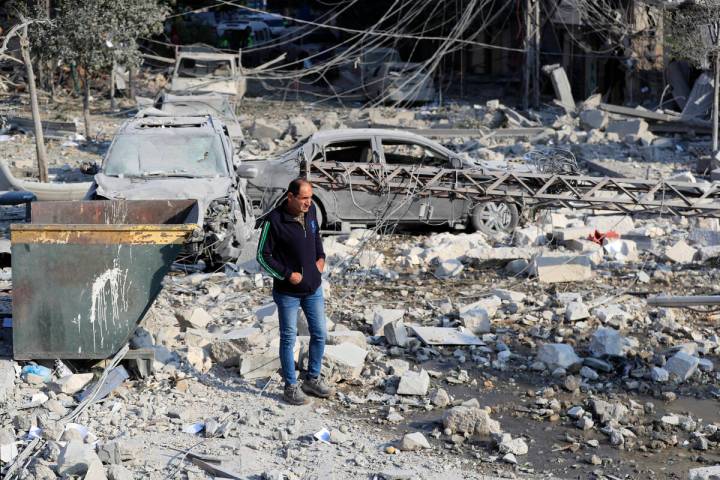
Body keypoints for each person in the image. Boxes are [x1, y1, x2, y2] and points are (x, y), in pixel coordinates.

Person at [256, 178, 333, 405]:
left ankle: (312, 379)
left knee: (320, 333)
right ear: (290, 197)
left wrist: (321, 259)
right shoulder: (274, 221)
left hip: (313, 288)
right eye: (304, 198)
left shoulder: (310, 213)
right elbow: (263, 255)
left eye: (310, 197)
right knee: (289, 338)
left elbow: (316, 236)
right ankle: (290, 386)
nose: (309, 202)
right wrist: (288, 274)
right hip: (287, 292)